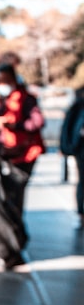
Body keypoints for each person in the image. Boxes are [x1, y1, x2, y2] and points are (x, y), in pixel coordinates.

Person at [0, 62, 45, 216]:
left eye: (4, 81)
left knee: (16, 194)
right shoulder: (2, 99)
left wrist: (15, 125)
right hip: (6, 153)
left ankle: (15, 226)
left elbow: (38, 122)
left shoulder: (26, 99)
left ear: (12, 80)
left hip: (24, 154)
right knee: (5, 195)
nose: (1, 85)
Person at [60, 86, 84, 221]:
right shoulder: (78, 108)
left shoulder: (76, 107)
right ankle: (81, 211)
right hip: (80, 150)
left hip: (78, 149)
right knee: (82, 181)